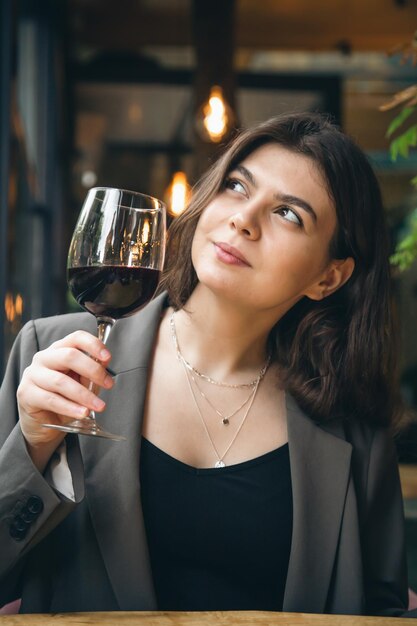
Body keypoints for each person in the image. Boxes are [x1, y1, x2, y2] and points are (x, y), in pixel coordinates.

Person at [0, 112, 414, 616]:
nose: (244, 218)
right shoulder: (54, 355)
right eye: (238, 187)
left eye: (289, 214)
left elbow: (383, 610)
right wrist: (34, 448)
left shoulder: (353, 424)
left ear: (328, 277)